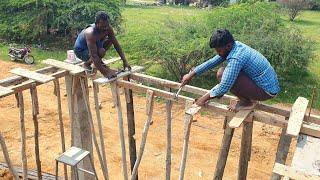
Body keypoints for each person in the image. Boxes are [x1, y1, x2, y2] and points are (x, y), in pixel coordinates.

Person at [181, 29, 280, 112]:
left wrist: (202, 100)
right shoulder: (235, 46)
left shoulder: (237, 57)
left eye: (219, 50)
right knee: (224, 73)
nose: (218, 53)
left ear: (228, 46)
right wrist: (191, 74)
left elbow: (224, 86)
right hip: (264, 86)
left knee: (222, 74)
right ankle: (246, 98)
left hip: (266, 91)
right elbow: (211, 62)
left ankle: (247, 102)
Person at [74, 11, 130, 78]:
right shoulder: (90, 33)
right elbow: (94, 55)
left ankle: (94, 64)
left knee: (111, 40)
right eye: (103, 26)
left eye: (107, 25)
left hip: (94, 47)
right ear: (96, 24)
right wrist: (105, 73)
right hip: (81, 51)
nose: (105, 28)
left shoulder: (108, 28)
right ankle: (87, 64)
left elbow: (116, 44)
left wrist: (124, 60)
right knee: (101, 52)